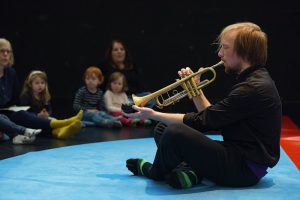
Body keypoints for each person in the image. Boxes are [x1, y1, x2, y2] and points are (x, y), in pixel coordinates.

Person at [124, 22, 282, 189]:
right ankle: (191, 173)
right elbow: (215, 120)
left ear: (244, 52)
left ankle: (154, 171)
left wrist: (151, 114)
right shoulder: (253, 80)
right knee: (164, 128)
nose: (220, 53)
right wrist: (195, 91)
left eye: (225, 48)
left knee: (174, 131)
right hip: (236, 154)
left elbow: (204, 121)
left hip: (243, 169)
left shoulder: (252, 88)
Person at [0, 38, 83, 144]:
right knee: (21, 119)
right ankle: (60, 124)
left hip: (7, 112)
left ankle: (58, 131)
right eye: (2, 51)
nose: (6, 54)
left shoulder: (11, 73)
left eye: (8, 51)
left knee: (22, 115)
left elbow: (14, 99)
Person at [102, 39, 155, 107]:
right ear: (110, 53)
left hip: (135, 97)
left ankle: (136, 112)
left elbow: (140, 86)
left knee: (150, 97)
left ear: (125, 52)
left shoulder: (132, 66)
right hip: (118, 98)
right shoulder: (106, 68)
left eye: (122, 49)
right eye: (116, 50)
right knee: (128, 104)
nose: (119, 52)